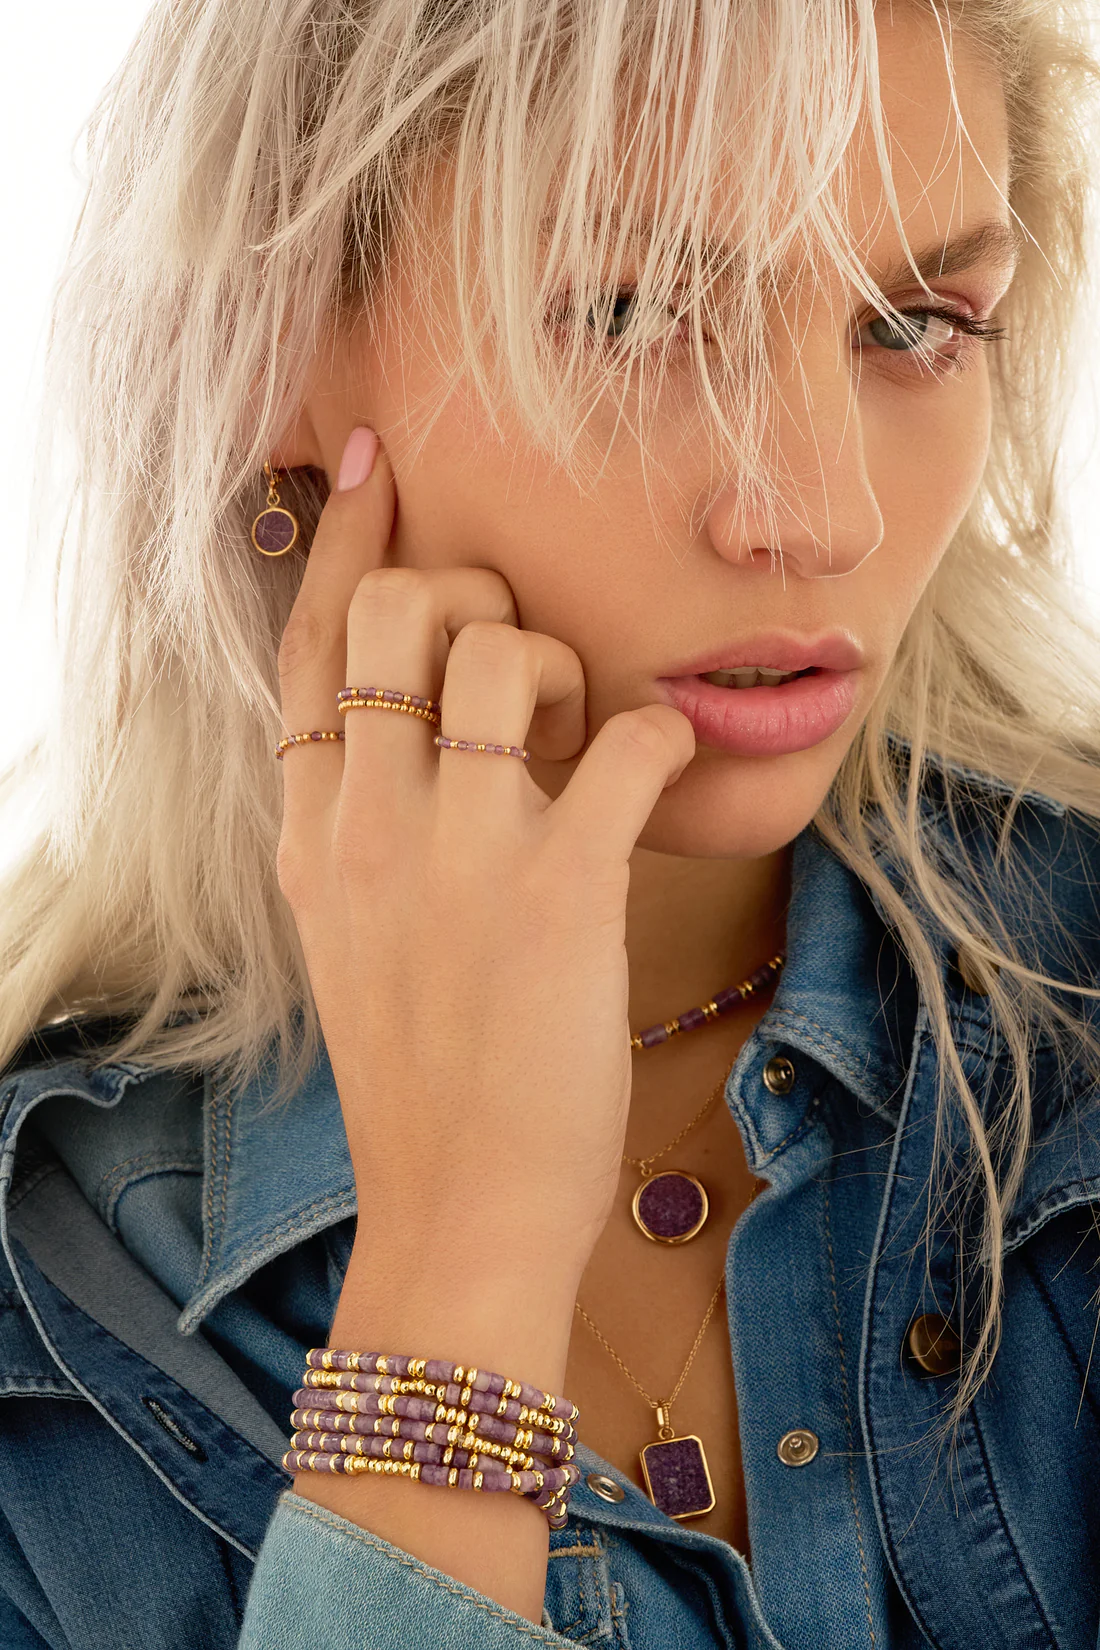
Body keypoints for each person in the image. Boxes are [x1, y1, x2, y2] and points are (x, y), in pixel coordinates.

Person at [1, 0, 1099, 1643]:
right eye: (638, 311)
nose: (820, 513)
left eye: (914, 323)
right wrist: (462, 1253)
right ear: (270, 347)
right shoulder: (51, 1306)